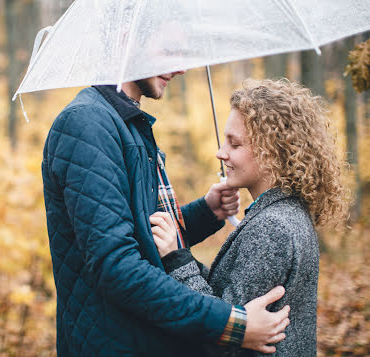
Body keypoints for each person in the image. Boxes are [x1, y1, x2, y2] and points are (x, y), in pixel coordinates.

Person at [42, 72, 291, 357]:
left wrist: (206, 211)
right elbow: (117, 265)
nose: (181, 67)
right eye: (168, 47)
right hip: (115, 342)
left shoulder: (127, 122)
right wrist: (232, 323)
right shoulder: (88, 124)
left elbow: (144, 235)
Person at [152, 78, 349, 356]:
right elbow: (228, 296)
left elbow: (222, 337)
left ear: (273, 150)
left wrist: (176, 261)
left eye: (234, 144)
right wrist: (179, 255)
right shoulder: (286, 212)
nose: (221, 153)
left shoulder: (272, 227)